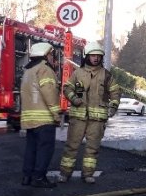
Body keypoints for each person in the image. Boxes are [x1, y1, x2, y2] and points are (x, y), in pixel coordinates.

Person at [57, 42, 119, 184]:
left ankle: (88, 174)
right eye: (93, 55)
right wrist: (73, 98)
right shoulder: (77, 73)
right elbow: (67, 88)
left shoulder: (106, 75)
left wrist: (113, 107)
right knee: (71, 146)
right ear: (87, 56)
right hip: (78, 117)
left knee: (92, 149)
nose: (96, 58)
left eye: (98, 55)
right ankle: (65, 173)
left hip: (97, 120)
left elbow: (115, 92)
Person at [19, 42, 60, 188]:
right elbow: (49, 93)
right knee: (45, 148)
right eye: (50, 54)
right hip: (44, 118)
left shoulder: (28, 70)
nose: (51, 57)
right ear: (45, 54)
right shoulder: (44, 69)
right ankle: (39, 177)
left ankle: (27, 177)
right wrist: (56, 114)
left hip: (30, 119)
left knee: (31, 148)